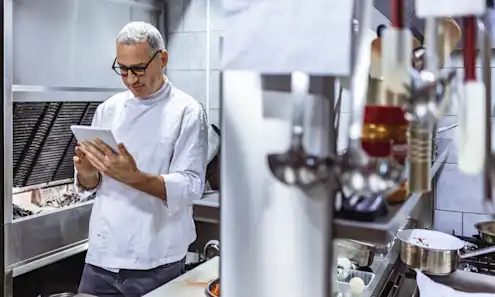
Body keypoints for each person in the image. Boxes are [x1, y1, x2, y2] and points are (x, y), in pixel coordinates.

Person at [73, 21, 208, 296]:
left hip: (155, 260)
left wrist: (134, 177)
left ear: (163, 59)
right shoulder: (108, 109)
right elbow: (91, 185)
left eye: (139, 69)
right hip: (102, 256)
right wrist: (87, 172)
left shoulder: (188, 112)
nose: (131, 79)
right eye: (123, 70)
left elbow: (191, 186)